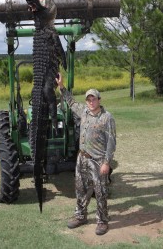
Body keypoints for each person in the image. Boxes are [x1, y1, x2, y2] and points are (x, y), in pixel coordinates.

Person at [56, 73, 116, 236]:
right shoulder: (83, 112)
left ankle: (102, 221)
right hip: (82, 158)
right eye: (88, 99)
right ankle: (80, 216)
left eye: (93, 99)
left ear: (99, 100)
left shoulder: (106, 117)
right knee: (80, 188)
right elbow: (71, 102)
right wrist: (61, 87)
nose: (91, 102)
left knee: (100, 191)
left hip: (98, 161)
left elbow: (111, 142)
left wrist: (106, 162)